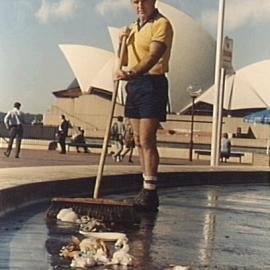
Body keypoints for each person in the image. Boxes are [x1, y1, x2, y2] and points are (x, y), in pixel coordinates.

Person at [115, 0, 173, 211]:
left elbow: (152, 56)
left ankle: (150, 190)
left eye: (143, 1)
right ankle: (144, 185)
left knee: (148, 138)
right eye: (135, 1)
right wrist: (121, 41)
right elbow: (122, 60)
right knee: (138, 139)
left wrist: (131, 72)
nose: (139, 5)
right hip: (134, 85)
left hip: (152, 83)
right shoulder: (132, 28)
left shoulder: (162, 24)